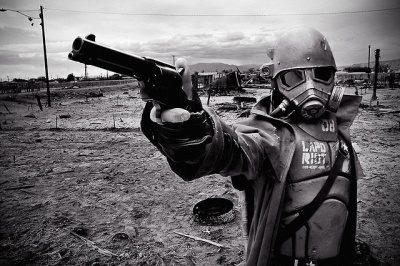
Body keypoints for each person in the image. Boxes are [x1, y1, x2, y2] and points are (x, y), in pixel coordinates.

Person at [140, 27, 363, 266]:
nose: (311, 87)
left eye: (322, 74)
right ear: (277, 83)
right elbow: (229, 150)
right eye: (294, 77)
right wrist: (190, 129)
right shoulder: (272, 135)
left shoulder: (338, 129)